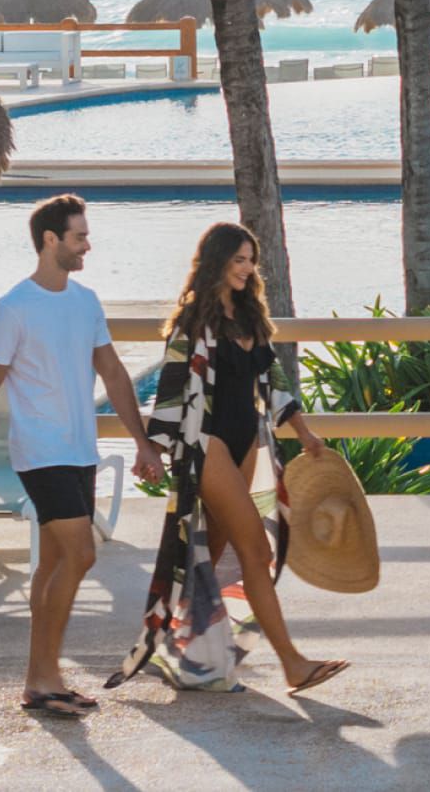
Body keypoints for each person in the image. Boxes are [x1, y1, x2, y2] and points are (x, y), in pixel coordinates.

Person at [106, 222, 347, 697]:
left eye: (251, 260)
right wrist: (151, 447)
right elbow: (172, 389)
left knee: (209, 557)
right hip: (206, 443)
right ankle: (293, 664)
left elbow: (274, 379)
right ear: (216, 261)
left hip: (244, 444)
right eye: (239, 259)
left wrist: (303, 431)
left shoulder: (249, 315)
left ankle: (179, 651)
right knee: (256, 551)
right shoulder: (194, 323)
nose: (248, 268)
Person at [0, 194, 166, 720]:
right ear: (50, 240)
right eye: (79, 237)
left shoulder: (86, 301)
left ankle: (39, 680)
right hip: (40, 451)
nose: (87, 245)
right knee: (82, 556)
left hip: (79, 450)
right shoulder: (12, 309)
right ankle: (46, 677)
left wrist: (142, 442)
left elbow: (115, 375)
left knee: (54, 562)